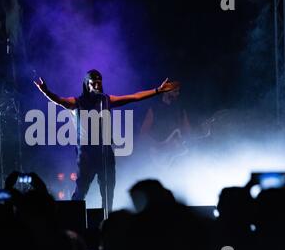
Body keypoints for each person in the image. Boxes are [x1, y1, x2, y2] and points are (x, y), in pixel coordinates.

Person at [34, 69, 179, 214]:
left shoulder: (107, 100)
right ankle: (74, 220)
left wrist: (158, 90)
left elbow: (134, 97)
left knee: (108, 192)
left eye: (99, 83)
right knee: (81, 192)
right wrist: (45, 91)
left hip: (105, 152)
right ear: (86, 84)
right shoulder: (77, 103)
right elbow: (59, 101)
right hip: (86, 155)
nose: (97, 86)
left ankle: (108, 222)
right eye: (93, 83)